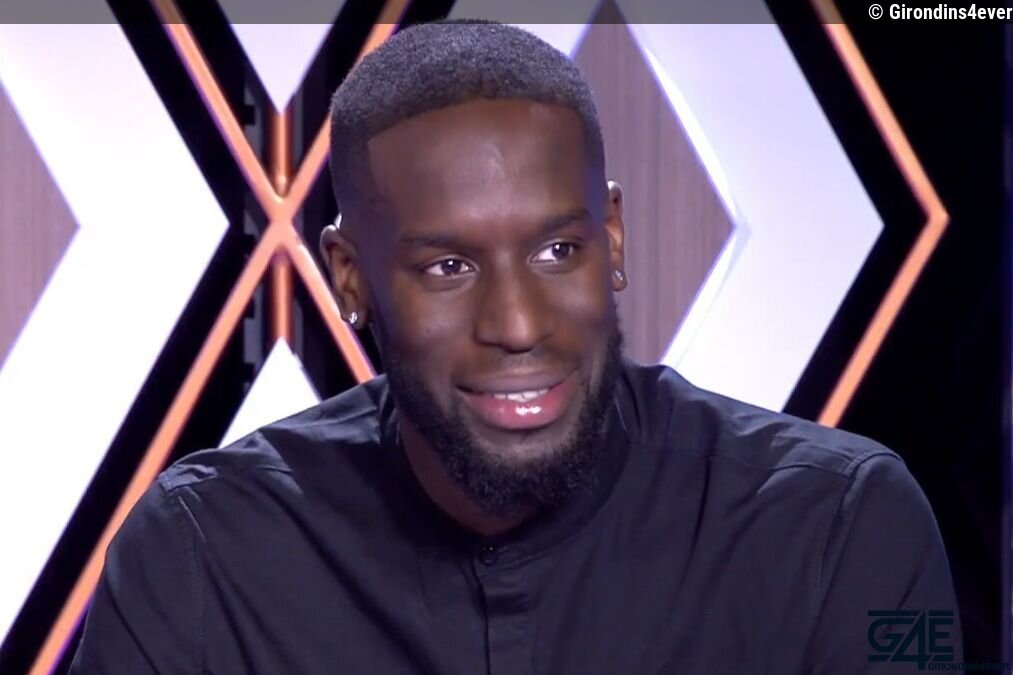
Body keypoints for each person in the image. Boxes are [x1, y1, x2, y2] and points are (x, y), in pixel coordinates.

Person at [71, 20, 962, 674]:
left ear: (613, 238)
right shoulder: (201, 556)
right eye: (449, 266)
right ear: (348, 278)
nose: (519, 323)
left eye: (556, 251)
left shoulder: (836, 525)